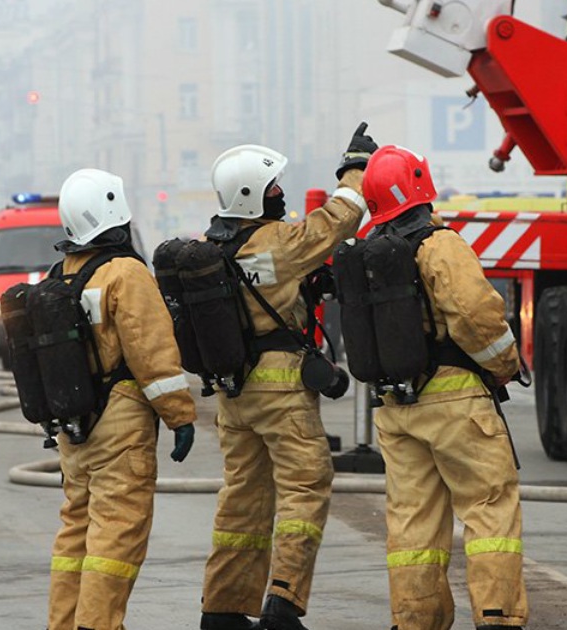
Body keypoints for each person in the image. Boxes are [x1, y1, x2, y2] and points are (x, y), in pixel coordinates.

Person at [198, 125, 375, 630]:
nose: (281, 195)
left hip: (234, 393)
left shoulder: (214, 249)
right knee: (304, 488)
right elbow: (337, 221)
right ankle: (283, 604)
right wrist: (354, 169)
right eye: (274, 188)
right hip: (280, 388)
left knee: (242, 500)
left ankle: (223, 609)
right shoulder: (277, 242)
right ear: (254, 195)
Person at [361, 146, 528, 630]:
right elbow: (478, 316)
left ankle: (416, 620)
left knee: (412, 521)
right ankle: (496, 618)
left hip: (395, 406)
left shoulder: (371, 254)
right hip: (455, 401)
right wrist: (505, 365)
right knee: (489, 508)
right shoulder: (438, 244)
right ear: (421, 185)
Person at [47, 168, 198, 630]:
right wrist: (180, 416)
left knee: (75, 535)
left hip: (75, 424)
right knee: (115, 538)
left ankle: (65, 624)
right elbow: (151, 350)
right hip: (119, 426)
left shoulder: (62, 274)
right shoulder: (125, 273)